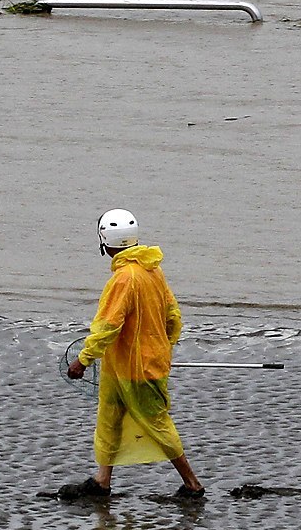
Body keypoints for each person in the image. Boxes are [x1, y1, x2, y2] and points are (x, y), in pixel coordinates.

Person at [58, 208, 206, 502]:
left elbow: (107, 326)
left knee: (157, 424)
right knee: (109, 419)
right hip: (119, 364)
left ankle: (192, 485)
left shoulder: (124, 279)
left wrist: (83, 359)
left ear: (104, 241)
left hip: (139, 370)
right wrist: (165, 345)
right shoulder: (153, 269)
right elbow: (173, 316)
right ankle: (102, 481)